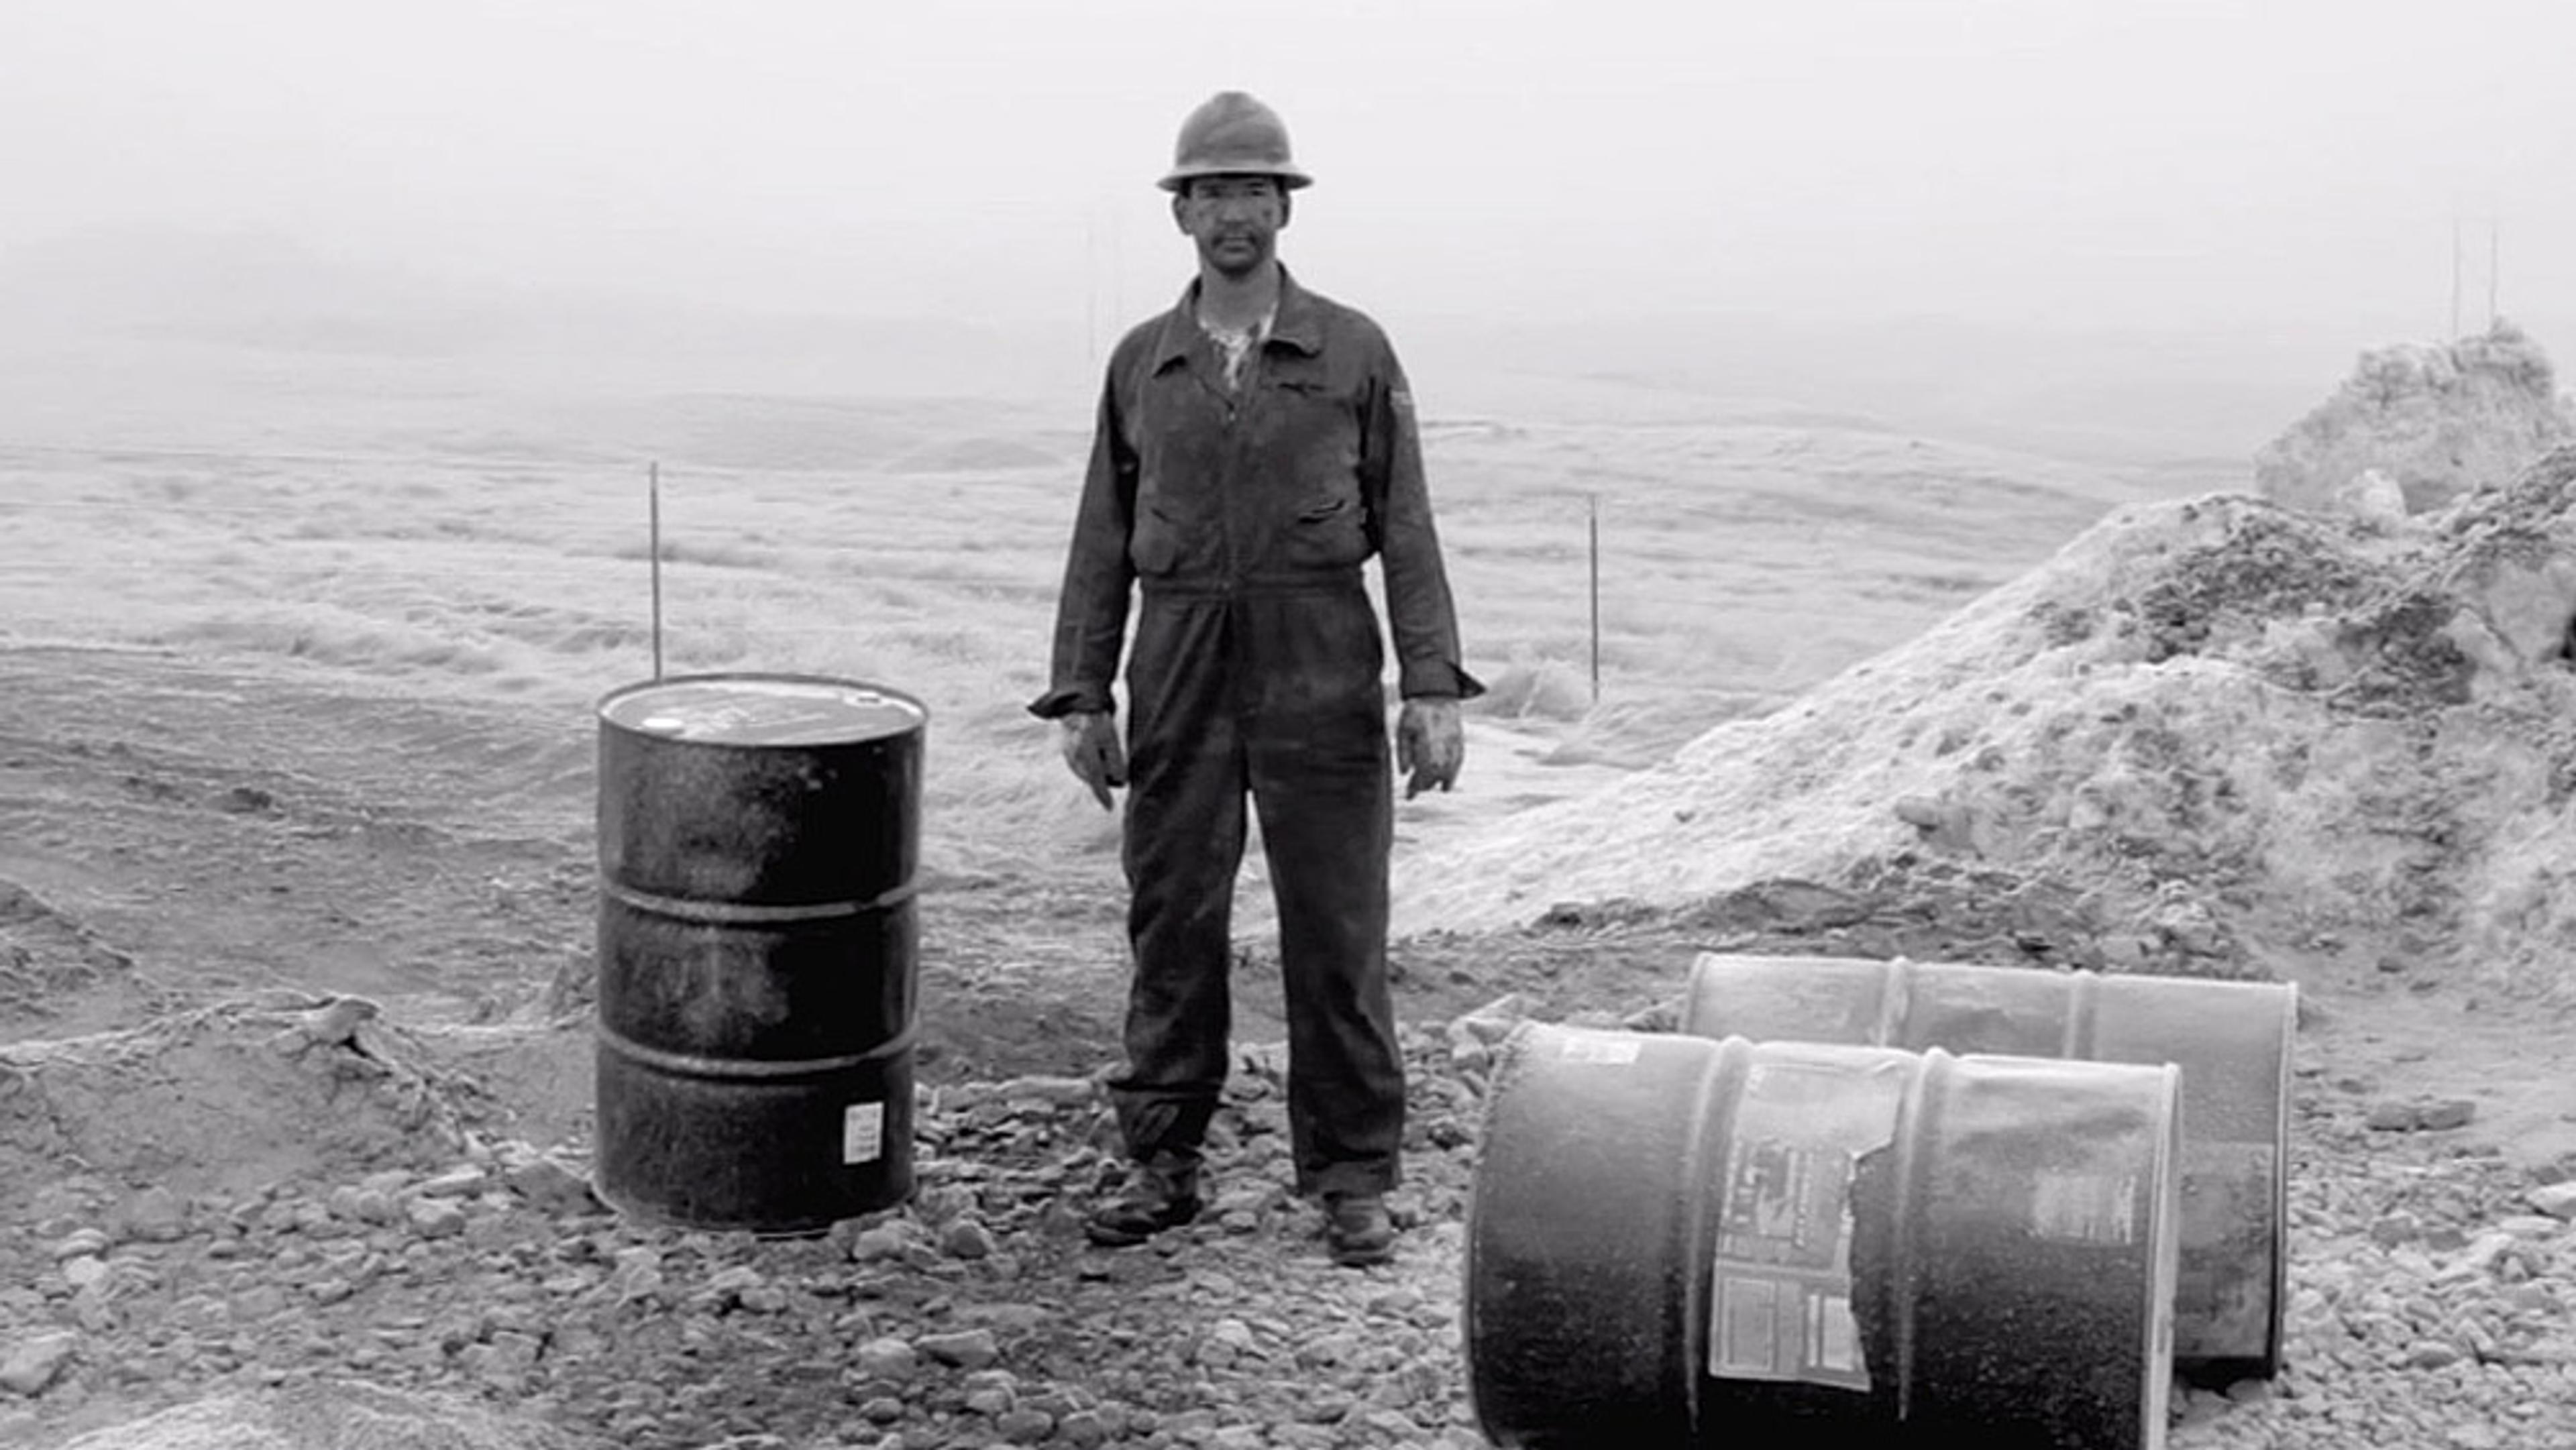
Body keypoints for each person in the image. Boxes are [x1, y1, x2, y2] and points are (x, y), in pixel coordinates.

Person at [1027, 91, 1480, 1267]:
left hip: (1320, 659)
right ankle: (1161, 1157)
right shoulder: (1145, 361)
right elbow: (1100, 533)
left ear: (1286, 208)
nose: (1237, 213)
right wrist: (1084, 691)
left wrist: (1429, 685)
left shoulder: (1355, 350)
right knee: (1172, 914)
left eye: (1256, 191)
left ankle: (1349, 1177)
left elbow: (1411, 526)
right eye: (1214, 192)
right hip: (1176, 661)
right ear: (1183, 214)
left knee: (1337, 924)